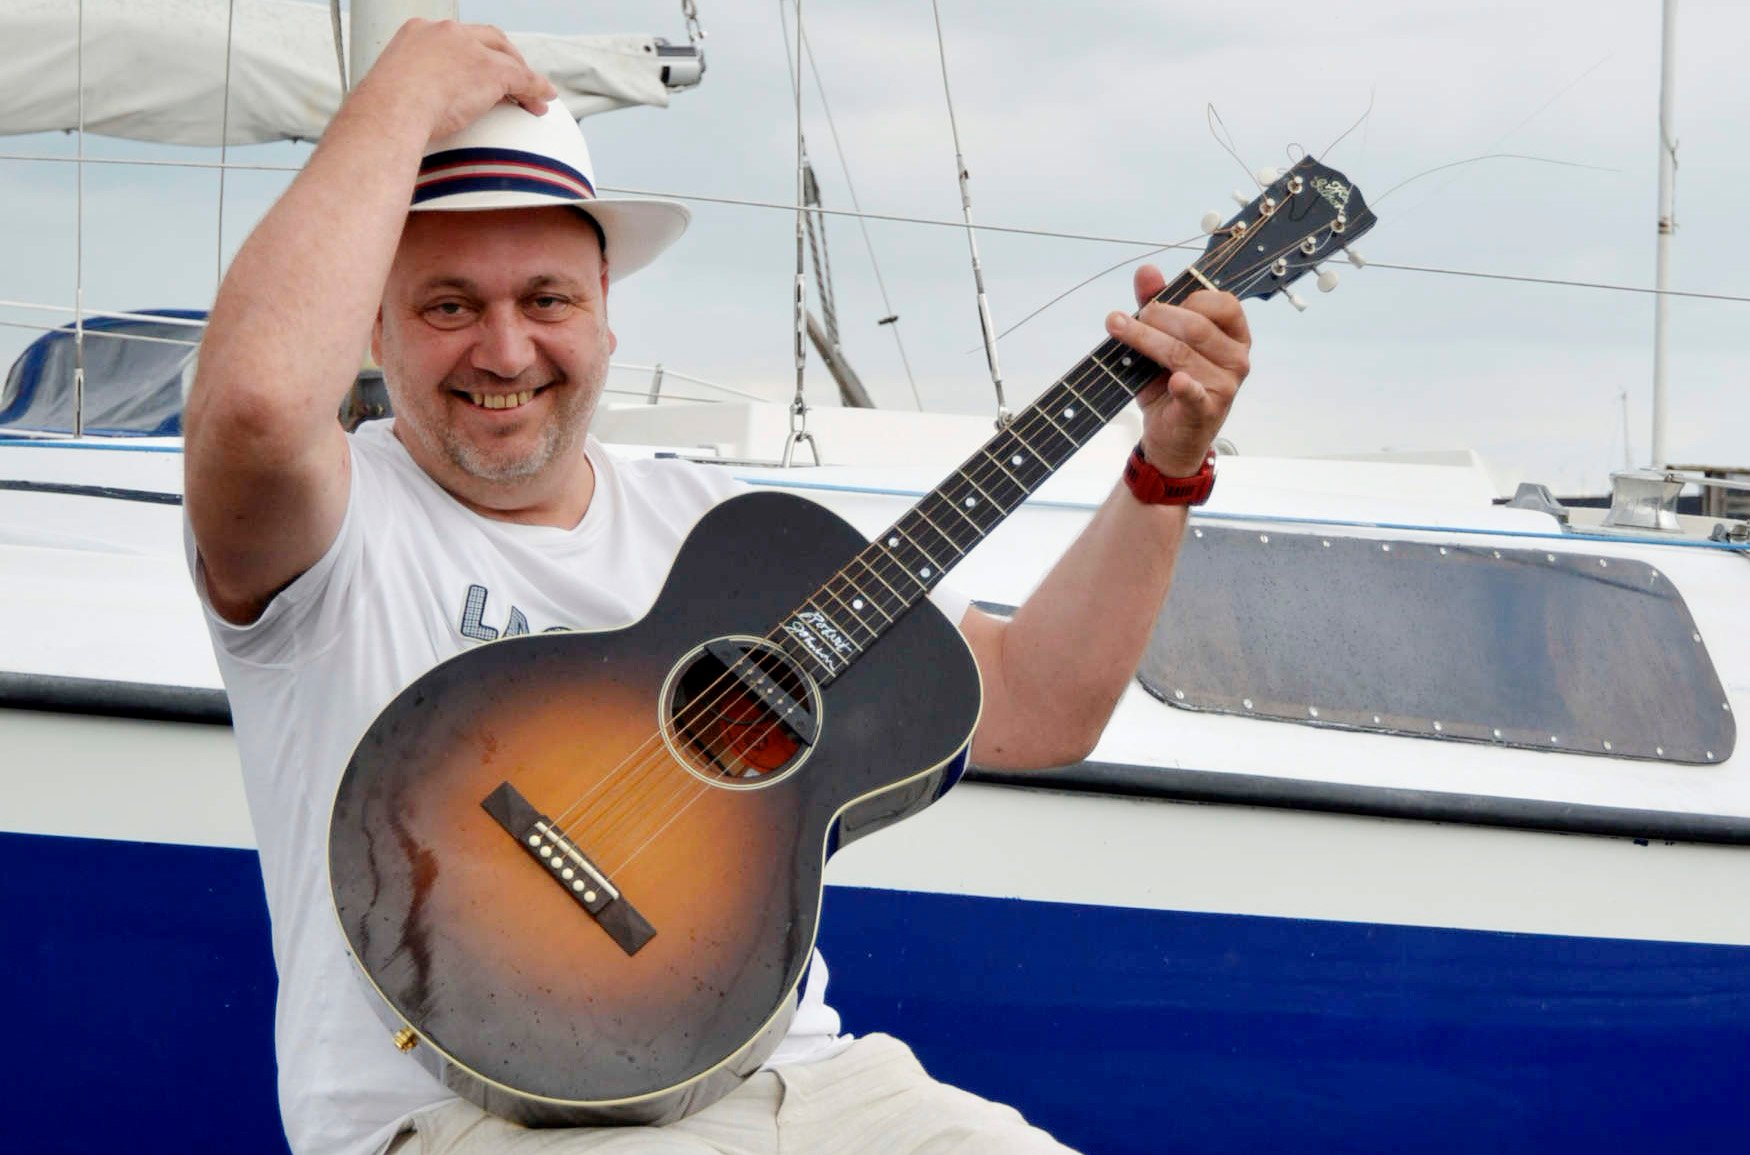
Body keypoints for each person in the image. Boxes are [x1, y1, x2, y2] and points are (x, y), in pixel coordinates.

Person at [183, 19, 1251, 1155]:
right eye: (449, 305)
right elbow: (249, 406)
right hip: (470, 1116)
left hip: (809, 1089)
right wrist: (394, 100)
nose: (503, 350)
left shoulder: (714, 527)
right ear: (374, 322)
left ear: (604, 306)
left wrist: (1164, 468)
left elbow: (1040, 705)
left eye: (545, 300)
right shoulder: (333, 525)